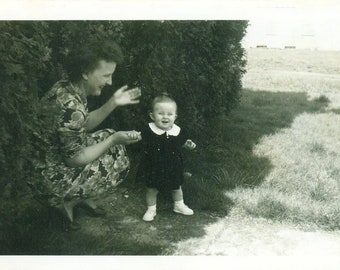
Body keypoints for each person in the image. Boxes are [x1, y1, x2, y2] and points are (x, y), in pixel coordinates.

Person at [36, 40, 142, 229]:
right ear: (85, 72)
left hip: (46, 161)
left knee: (109, 137)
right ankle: (66, 201)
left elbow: (83, 125)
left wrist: (113, 102)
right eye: (106, 75)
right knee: (117, 154)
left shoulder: (67, 88)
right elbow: (74, 159)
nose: (109, 82)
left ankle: (80, 196)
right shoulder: (71, 107)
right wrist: (113, 140)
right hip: (48, 177)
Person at [137, 93, 196, 222]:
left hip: (173, 166)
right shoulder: (149, 130)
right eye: (161, 113)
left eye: (169, 114)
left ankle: (179, 205)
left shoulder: (177, 131)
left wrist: (188, 144)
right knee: (152, 189)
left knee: (176, 186)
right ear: (152, 115)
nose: (165, 117)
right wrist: (134, 137)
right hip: (153, 166)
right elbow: (140, 139)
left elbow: (183, 142)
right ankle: (151, 209)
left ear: (175, 116)